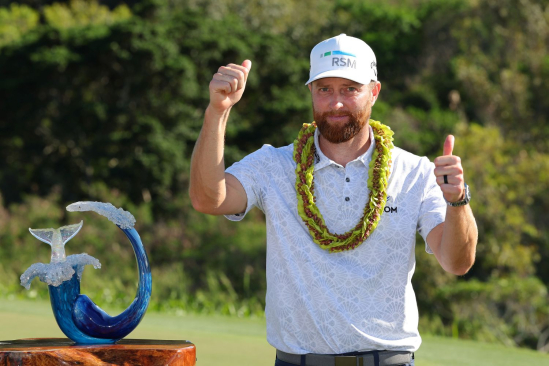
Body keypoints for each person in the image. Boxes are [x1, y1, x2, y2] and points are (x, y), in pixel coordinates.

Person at [189, 34, 478, 366]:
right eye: (325, 89)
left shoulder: (415, 172)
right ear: (311, 91)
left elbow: (457, 262)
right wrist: (217, 111)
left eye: (350, 89)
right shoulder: (274, 165)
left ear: (374, 91)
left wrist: (457, 201)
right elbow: (208, 199)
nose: (336, 103)